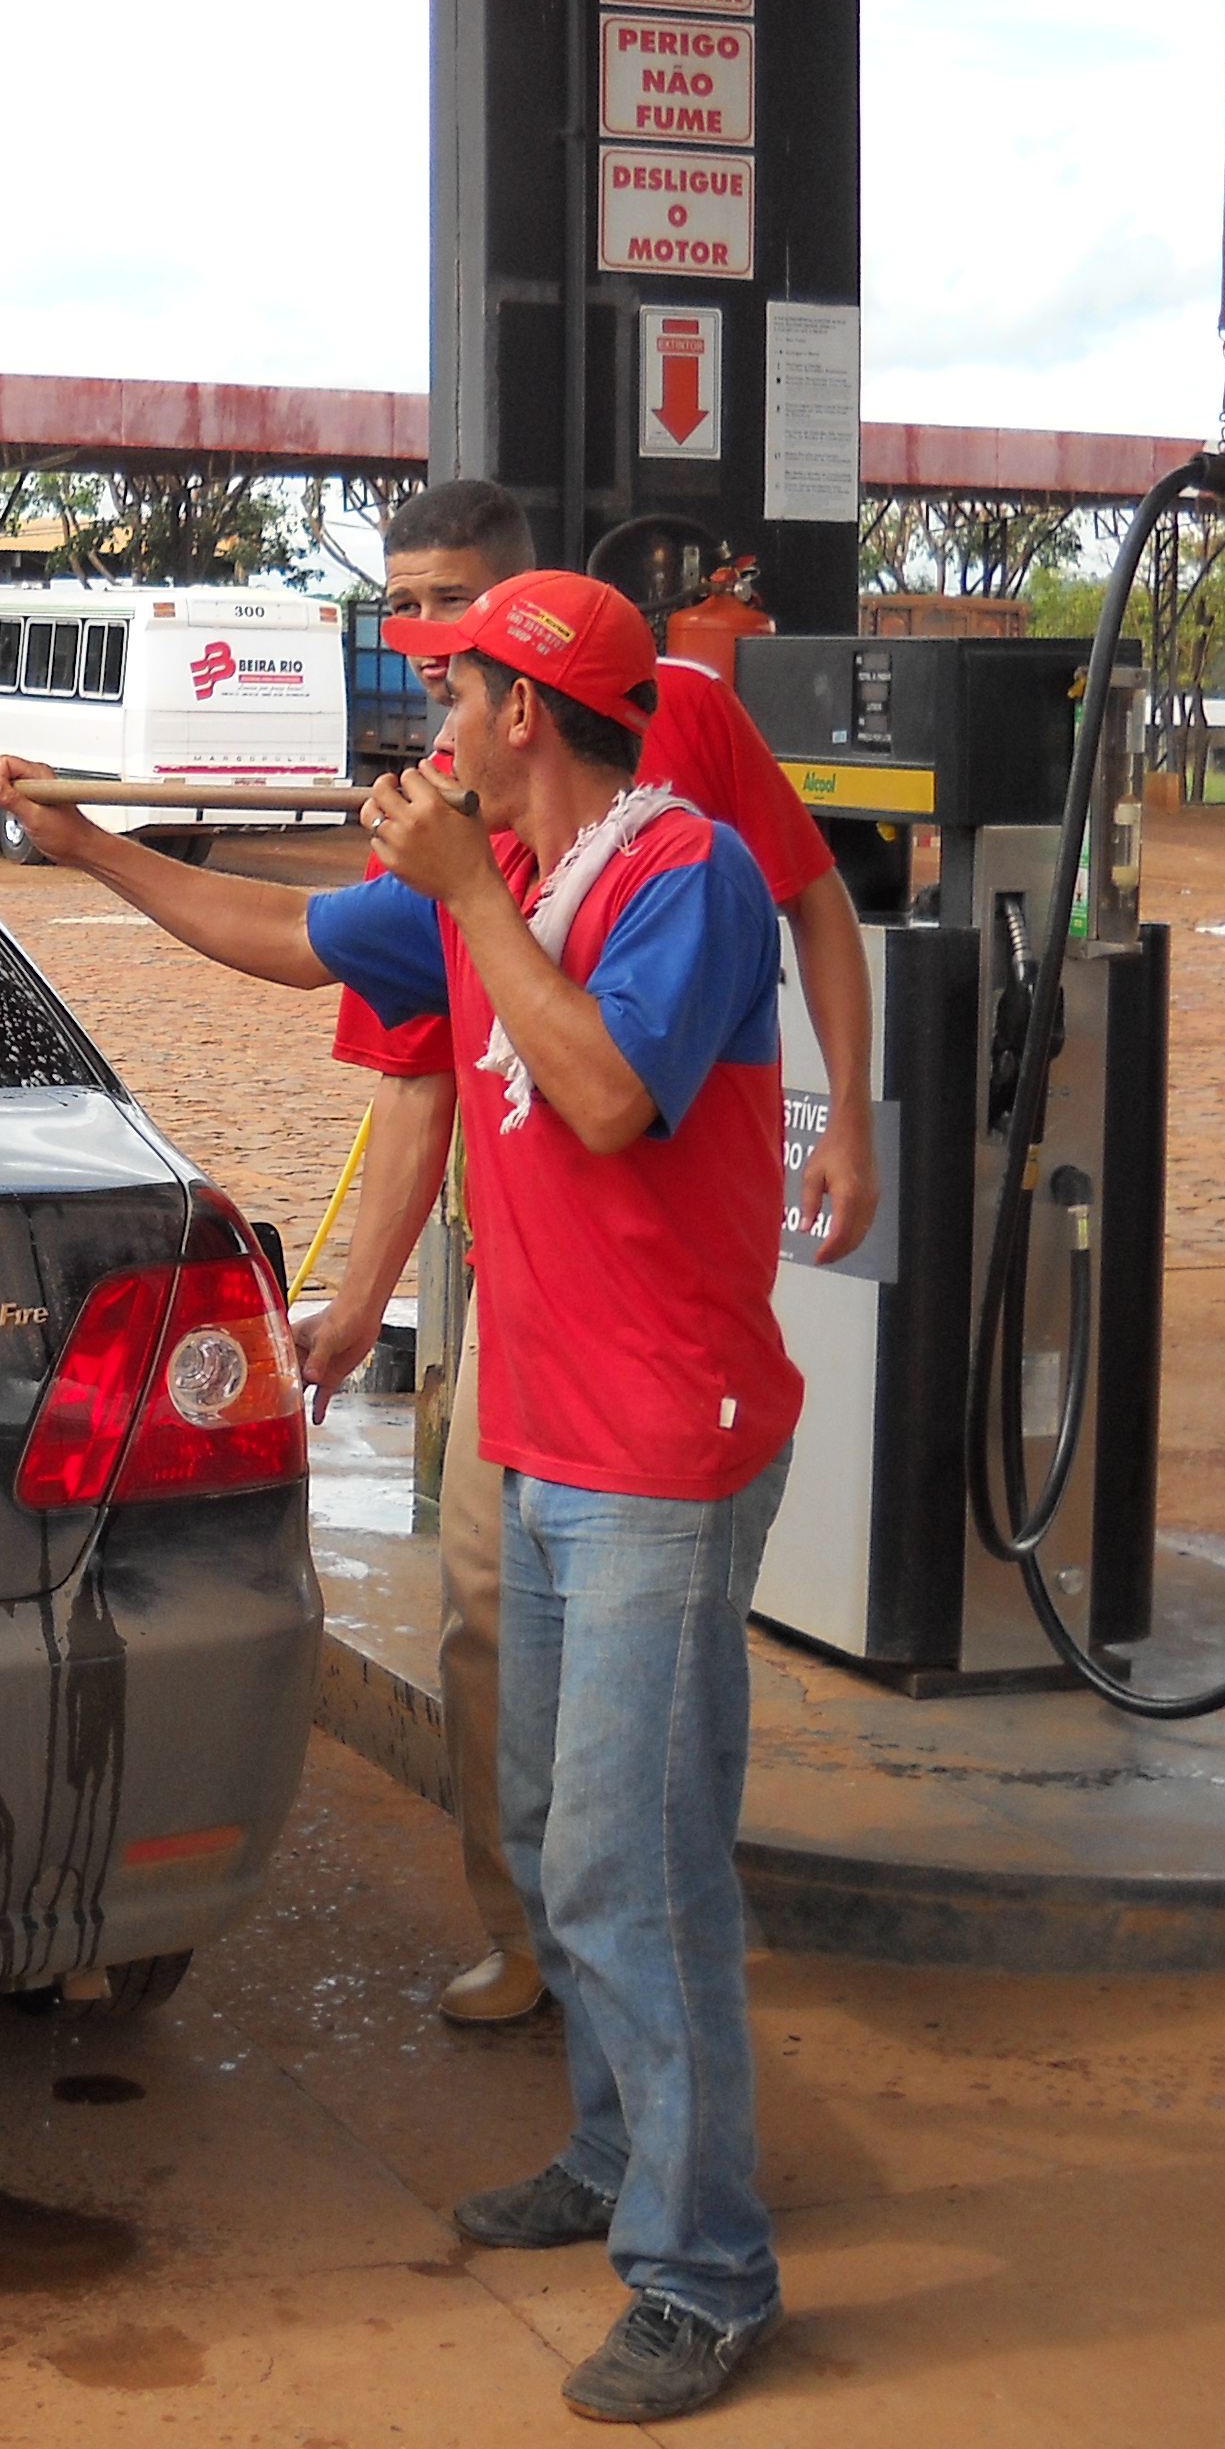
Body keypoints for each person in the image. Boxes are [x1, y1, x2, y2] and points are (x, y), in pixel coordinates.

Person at [0, 570, 799, 2422]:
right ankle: (614, 2157)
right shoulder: (503, 891)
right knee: (555, 1824)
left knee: (633, 1862)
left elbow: (601, 1100)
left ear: (530, 714)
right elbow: (269, 930)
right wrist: (86, 843)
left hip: (667, 1438)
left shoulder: (683, 880)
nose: (424, 724)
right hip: (558, 1432)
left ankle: (706, 2264)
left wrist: (476, 900)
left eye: (452, 690)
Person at [300, 479, 877, 2027]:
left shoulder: (674, 791)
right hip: (538, 1295)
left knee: (646, 1827)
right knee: (490, 1606)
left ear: (531, 672)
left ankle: (683, 2189)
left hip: (652, 1356)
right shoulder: (464, 808)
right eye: (404, 611)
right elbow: (415, 1041)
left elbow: (794, 915)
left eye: (444, 618)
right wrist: (79, 844)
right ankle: (545, 1945)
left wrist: (850, 1118)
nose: (419, 651)